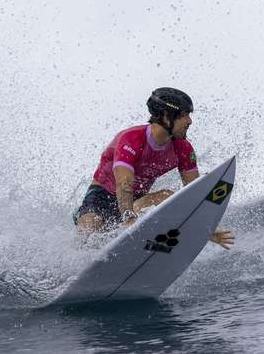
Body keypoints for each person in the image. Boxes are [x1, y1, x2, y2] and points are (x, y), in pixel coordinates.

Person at [73, 87, 235, 249]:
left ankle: (146, 245)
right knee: (91, 227)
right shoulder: (131, 139)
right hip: (102, 197)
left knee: (166, 197)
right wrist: (129, 220)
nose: (189, 121)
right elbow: (124, 184)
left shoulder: (183, 148)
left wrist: (204, 231)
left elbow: (194, 193)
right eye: (184, 115)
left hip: (137, 200)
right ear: (166, 116)